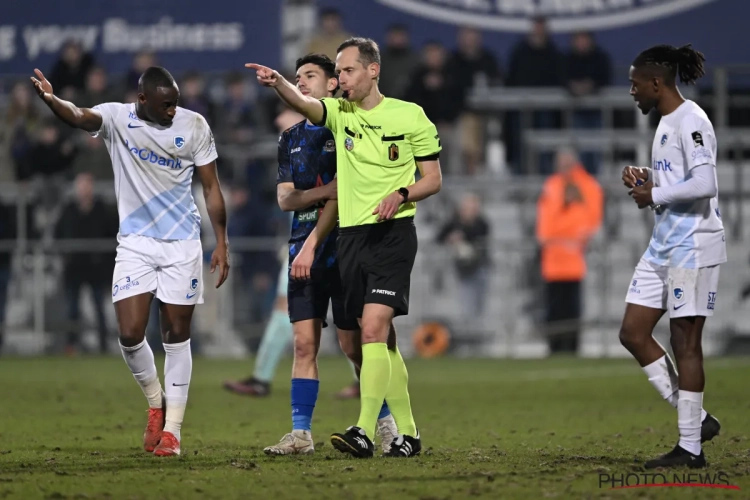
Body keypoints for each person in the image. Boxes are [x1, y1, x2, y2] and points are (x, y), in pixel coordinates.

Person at [247, 36, 443, 458]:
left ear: (373, 70)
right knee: (380, 341)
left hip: (392, 234)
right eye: (338, 71)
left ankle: (365, 429)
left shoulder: (410, 115)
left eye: (348, 70)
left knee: (370, 333)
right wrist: (278, 81)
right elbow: (309, 108)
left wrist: (403, 193)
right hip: (351, 239)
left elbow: (434, 178)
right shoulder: (340, 115)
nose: (342, 78)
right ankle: (406, 432)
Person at [31, 66, 230, 457]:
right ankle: (156, 402)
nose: (174, 110)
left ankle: (172, 431)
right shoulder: (118, 118)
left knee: (176, 336)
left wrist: (221, 241)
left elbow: (211, 186)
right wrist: (53, 100)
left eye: (176, 103)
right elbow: (77, 115)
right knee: (129, 332)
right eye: (166, 105)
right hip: (136, 244)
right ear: (143, 100)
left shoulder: (194, 125)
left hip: (182, 244)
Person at [621, 44, 723, 469]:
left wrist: (655, 193)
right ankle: (696, 418)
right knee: (633, 332)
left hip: (693, 246)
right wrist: (649, 179)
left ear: (656, 83)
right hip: (663, 244)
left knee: (685, 341)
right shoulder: (665, 123)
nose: (632, 92)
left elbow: (706, 183)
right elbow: (677, 180)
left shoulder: (692, 120)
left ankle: (690, 448)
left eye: (635, 84)